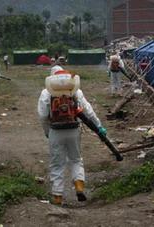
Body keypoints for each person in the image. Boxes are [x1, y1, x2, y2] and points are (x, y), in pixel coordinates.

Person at [38, 69, 107, 205]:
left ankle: (57, 196)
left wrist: (47, 132)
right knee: (75, 159)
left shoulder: (46, 93)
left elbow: (43, 116)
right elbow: (88, 111)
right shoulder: (75, 90)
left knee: (57, 163)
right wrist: (99, 126)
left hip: (55, 131)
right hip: (73, 129)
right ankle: (79, 185)